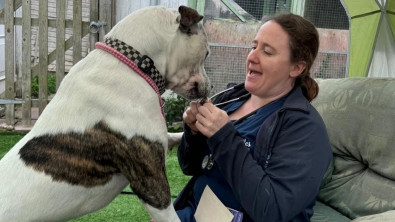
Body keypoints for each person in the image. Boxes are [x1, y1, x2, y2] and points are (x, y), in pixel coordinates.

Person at [173, 12, 333, 222]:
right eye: (253, 46)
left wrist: (223, 136)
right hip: (191, 212)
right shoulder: (230, 100)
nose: (252, 57)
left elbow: (271, 211)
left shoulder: (305, 130)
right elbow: (190, 167)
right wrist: (193, 133)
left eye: (267, 52)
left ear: (296, 67)